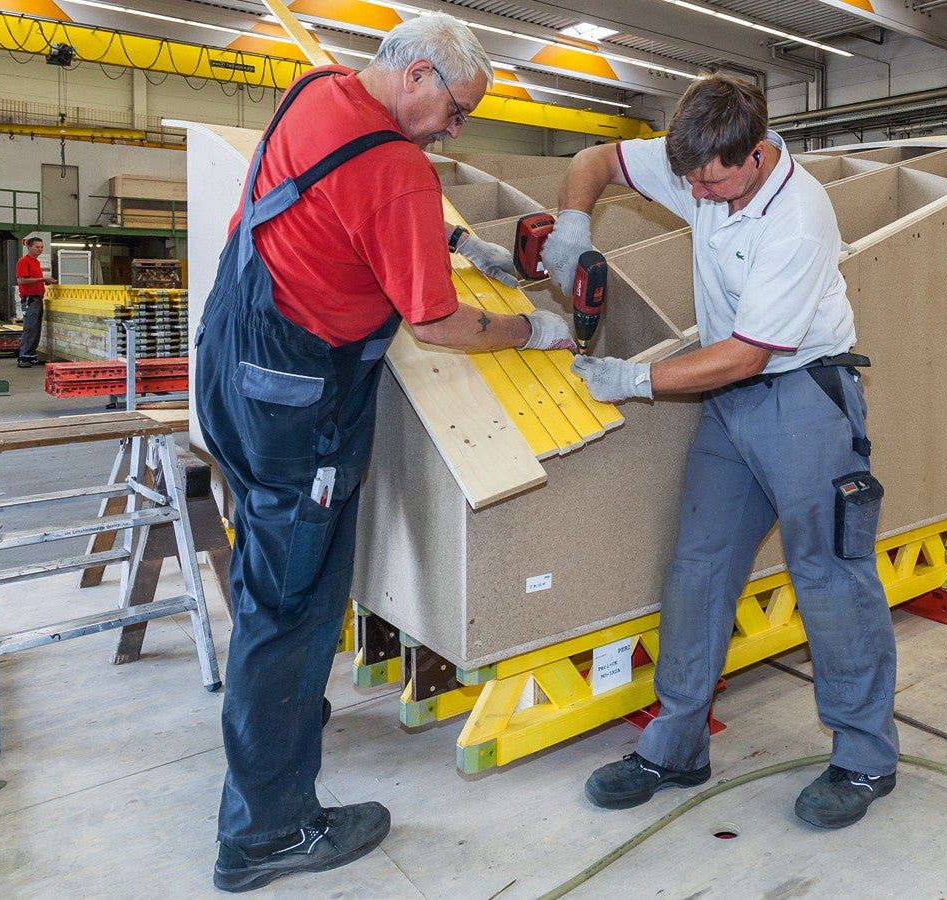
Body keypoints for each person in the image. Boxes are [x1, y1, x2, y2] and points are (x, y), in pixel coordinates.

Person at [193, 13, 571, 893]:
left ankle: (276, 715)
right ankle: (266, 831)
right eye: (457, 110)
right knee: (296, 601)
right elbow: (437, 321)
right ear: (418, 77)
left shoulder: (318, 90)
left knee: (270, 563)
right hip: (299, 400)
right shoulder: (399, 170)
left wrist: (457, 242)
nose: (456, 128)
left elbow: (338, 203)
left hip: (230, 362)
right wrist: (532, 328)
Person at [547, 75, 899, 831]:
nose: (700, 198)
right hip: (730, 407)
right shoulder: (699, 168)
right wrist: (573, 226)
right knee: (697, 572)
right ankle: (675, 747)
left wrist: (635, 379)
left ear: (755, 153)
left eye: (714, 183)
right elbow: (597, 158)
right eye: (690, 182)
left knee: (831, 579)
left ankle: (866, 759)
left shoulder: (799, 217)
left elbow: (747, 353)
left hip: (804, 396)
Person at [15, 236, 55, 367]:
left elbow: (33, 279)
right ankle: (23, 357)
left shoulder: (36, 262)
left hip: (37, 298)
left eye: (42, 247)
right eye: (37, 247)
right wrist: (43, 280)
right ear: (28, 246)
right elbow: (22, 280)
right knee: (30, 328)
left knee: (36, 328)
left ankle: (31, 355)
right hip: (30, 299)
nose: (40, 249)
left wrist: (43, 282)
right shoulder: (24, 261)